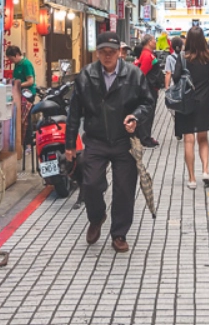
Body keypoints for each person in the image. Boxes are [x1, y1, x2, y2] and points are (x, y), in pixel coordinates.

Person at [65, 32, 154, 253]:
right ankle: (97, 217)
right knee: (91, 183)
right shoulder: (86, 75)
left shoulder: (133, 75)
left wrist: (135, 117)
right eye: (103, 52)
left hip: (124, 140)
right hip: (96, 139)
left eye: (112, 52)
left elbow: (147, 103)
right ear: (97, 53)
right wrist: (69, 144)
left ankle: (119, 233)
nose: (108, 56)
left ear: (120, 53)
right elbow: (74, 112)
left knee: (124, 189)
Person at [174, 27, 209, 189]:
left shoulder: (183, 57)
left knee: (189, 140)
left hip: (186, 102)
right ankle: (206, 170)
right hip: (204, 101)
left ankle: (192, 179)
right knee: (203, 139)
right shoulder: (208, 57)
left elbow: (176, 77)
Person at [134, 34, 162, 147]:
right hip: (148, 88)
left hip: (150, 87)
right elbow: (142, 73)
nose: (155, 42)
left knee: (149, 113)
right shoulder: (147, 55)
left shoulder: (148, 54)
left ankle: (145, 136)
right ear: (149, 42)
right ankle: (144, 138)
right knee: (148, 113)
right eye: (154, 40)